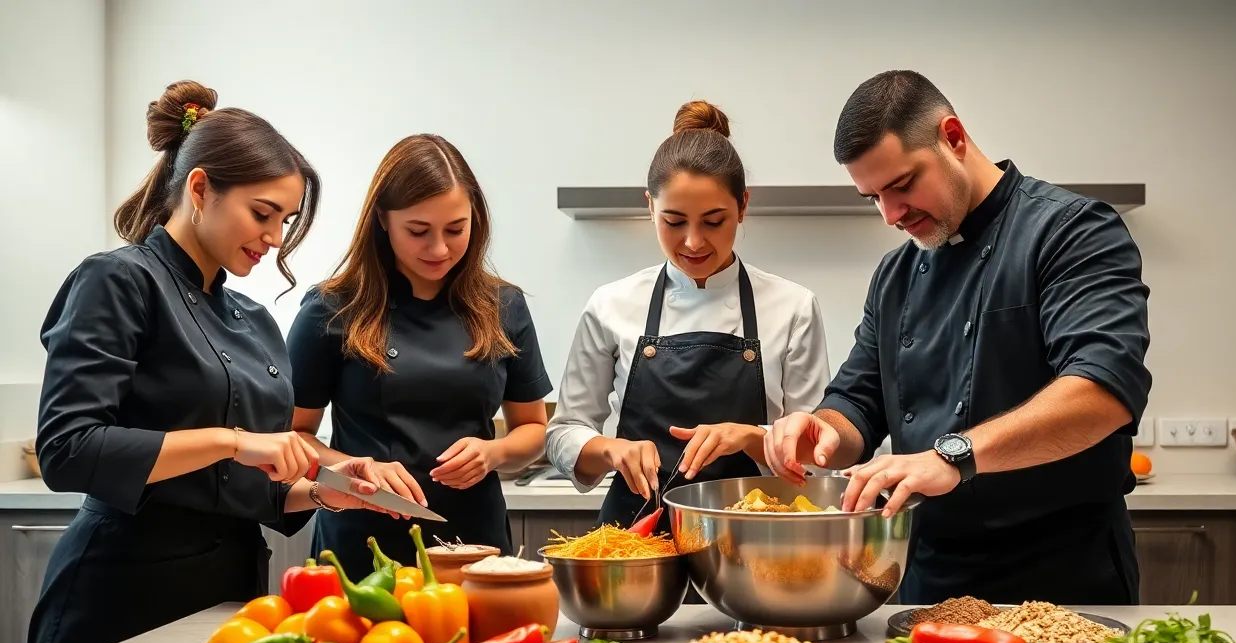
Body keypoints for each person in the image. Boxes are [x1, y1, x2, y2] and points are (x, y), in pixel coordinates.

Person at [27, 81, 408, 643]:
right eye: (263, 214)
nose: (276, 238)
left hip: (230, 598)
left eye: (285, 219)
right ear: (199, 188)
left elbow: (244, 484)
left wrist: (324, 486)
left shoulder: (253, 320)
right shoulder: (118, 281)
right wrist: (232, 440)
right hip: (120, 591)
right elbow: (67, 450)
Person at [764, 70, 1152, 606]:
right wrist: (821, 429)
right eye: (872, 197)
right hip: (929, 580)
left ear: (953, 136)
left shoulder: (1072, 232)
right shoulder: (895, 274)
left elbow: (1102, 392)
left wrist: (953, 455)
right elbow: (858, 400)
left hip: (1064, 575)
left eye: (901, 185)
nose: (891, 215)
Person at [547, 101, 832, 536]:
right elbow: (563, 432)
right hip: (635, 541)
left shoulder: (793, 307)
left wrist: (751, 437)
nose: (693, 242)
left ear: (743, 207)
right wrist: (610, 450)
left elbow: (817, 451)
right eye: (674, 221)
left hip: (756, 540)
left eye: (714, 221)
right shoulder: (611, 304)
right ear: (649, 207)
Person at [287, 134, 552, 580]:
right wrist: (353, 467)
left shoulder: (503, 306)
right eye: (418, 231)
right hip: (362, 545)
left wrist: (493, 452)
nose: (439, 249)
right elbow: (293, 437)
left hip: (475, 542)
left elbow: (533, 430)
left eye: (455, 229)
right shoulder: (331, 309)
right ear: (382, 221)